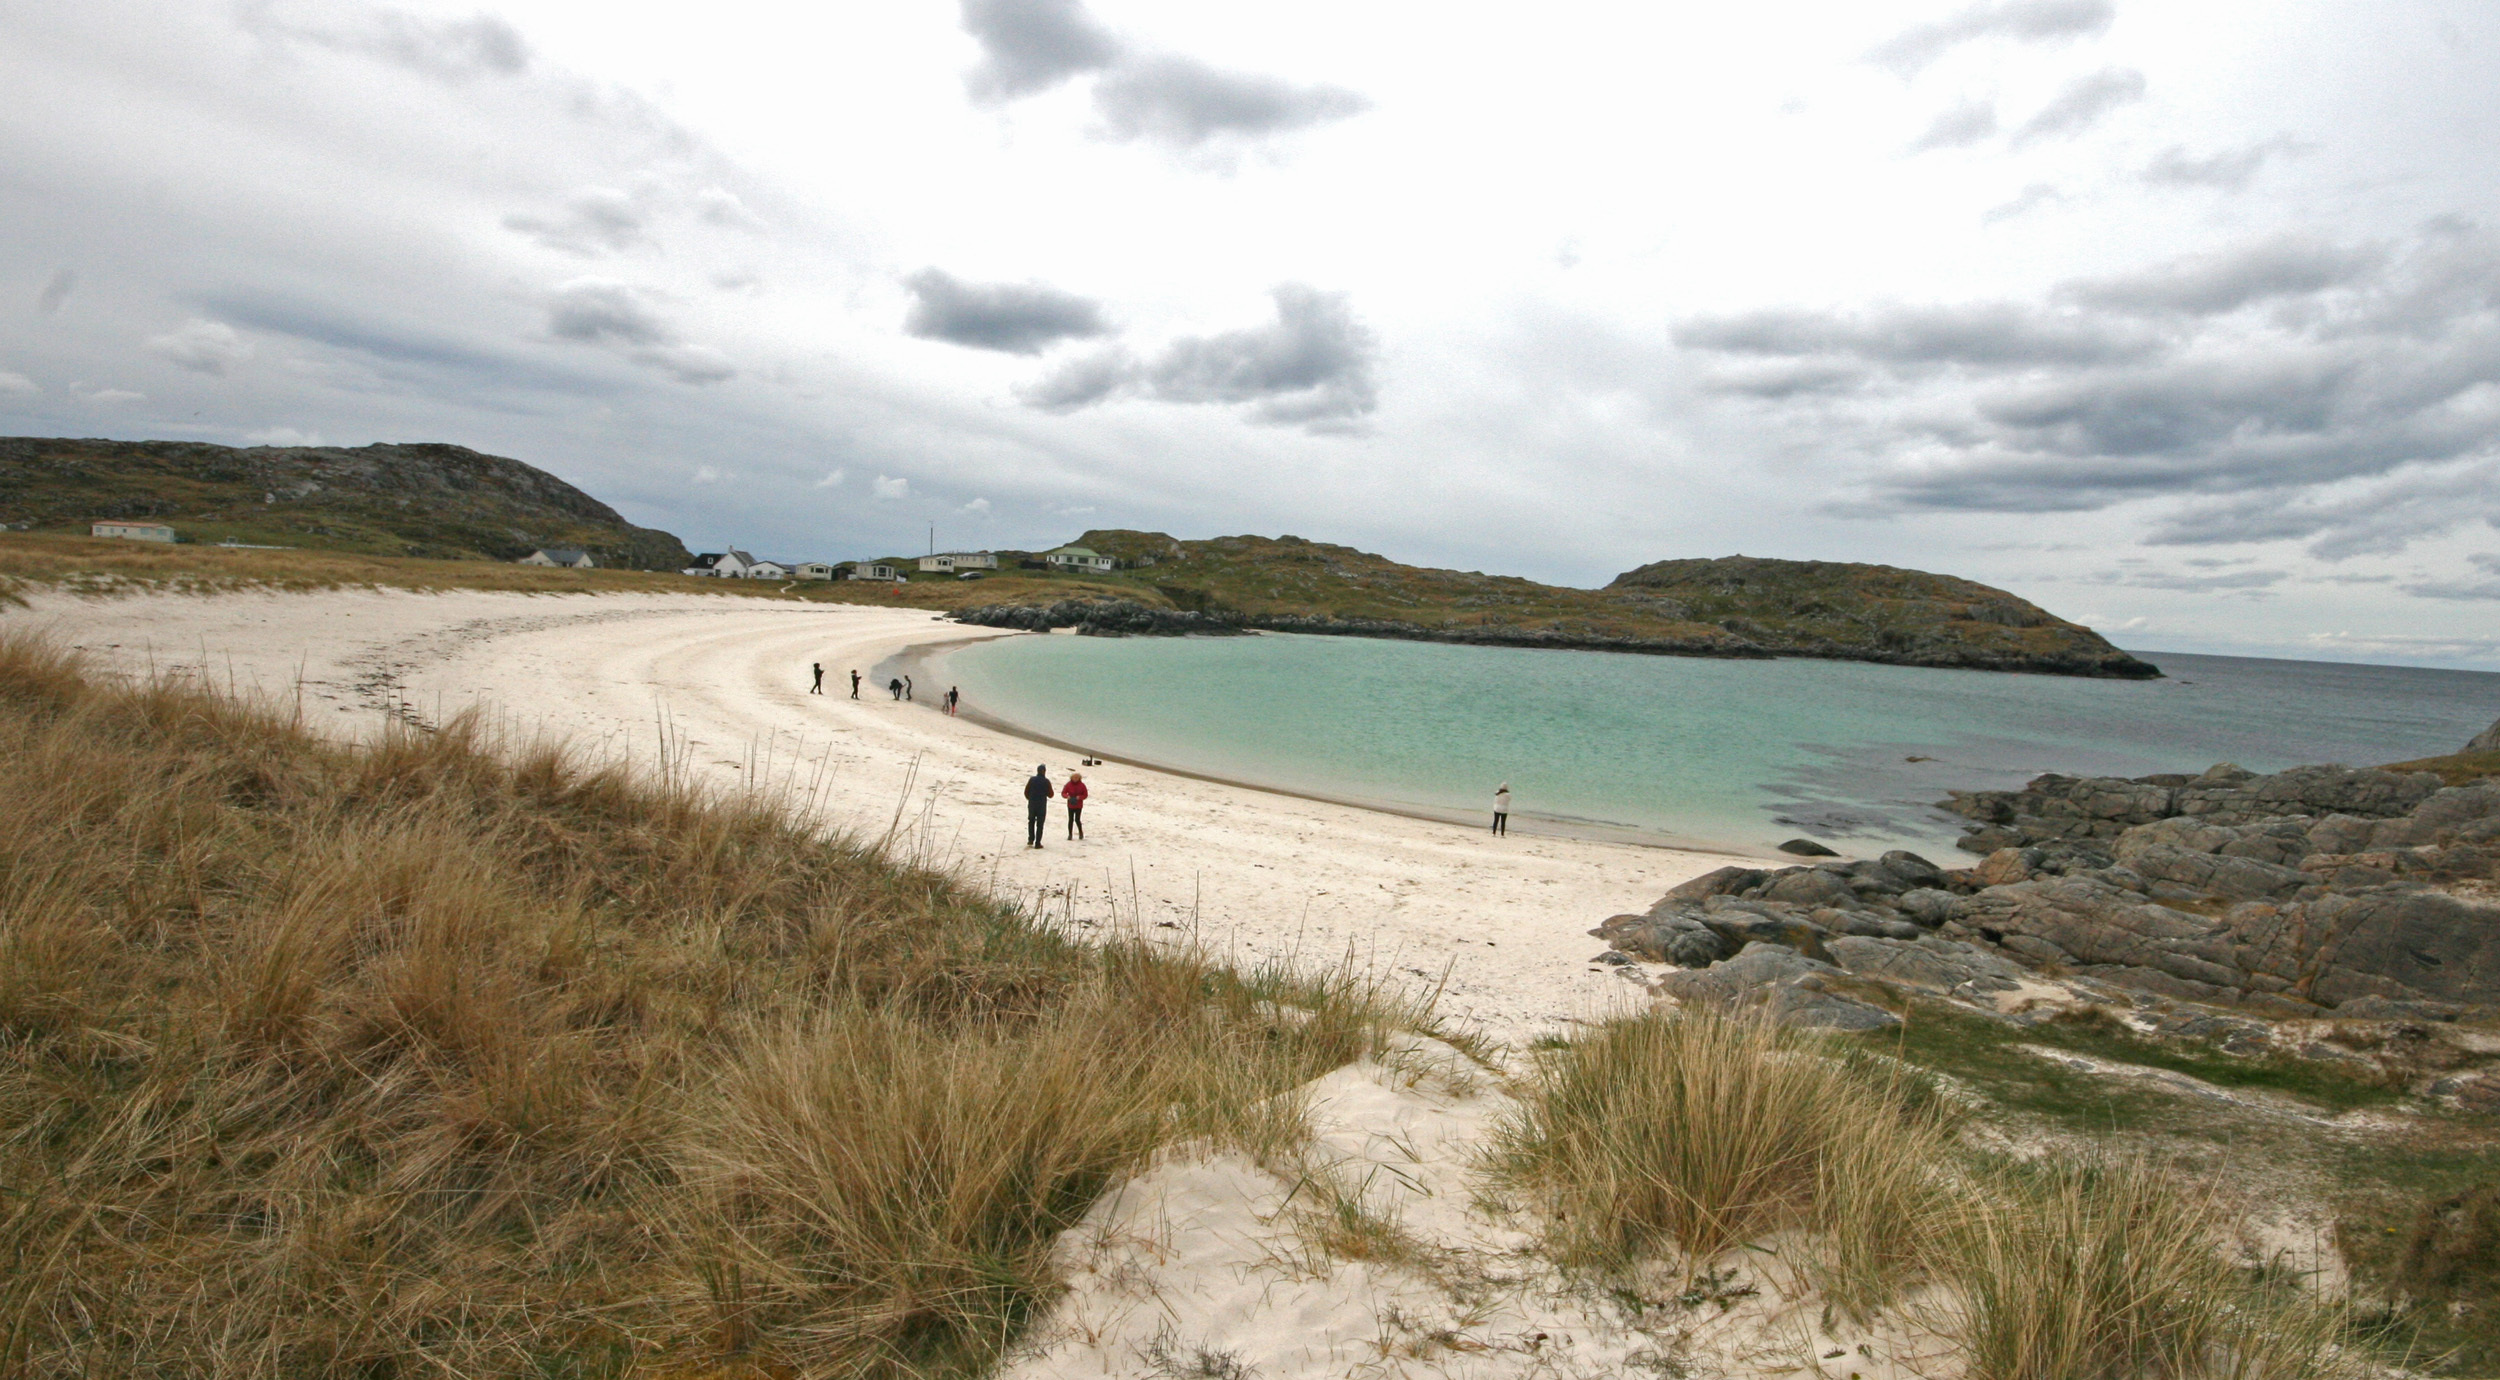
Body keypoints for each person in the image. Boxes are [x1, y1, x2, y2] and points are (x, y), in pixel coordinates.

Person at [1023, 764, 1053, 848]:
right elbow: (1051, 794)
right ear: (1044, 771)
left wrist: (1030, 798)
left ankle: (1030, 839)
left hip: (1032, 803)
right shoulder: (1046, 781)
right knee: (1040, 824)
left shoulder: (1032, 780)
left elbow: (1026, 791)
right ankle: (1038, 843)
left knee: (1031, 821)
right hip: (1041, 804)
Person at [1062, 770, 1088, 840]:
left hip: (1078, 805)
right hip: (1070, 804)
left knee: (1077, 819)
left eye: (1077, 777)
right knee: (1070, 820)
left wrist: (1079, 797)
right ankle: (1070, 834)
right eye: (1074, 777)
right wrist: (1067, 796)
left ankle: (1080, 832)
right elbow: (1063, 793)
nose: (1075, 779)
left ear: (1079, 778)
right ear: (1071, 778)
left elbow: (1085, 795)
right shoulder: (1068, 784)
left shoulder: (1082, 785)